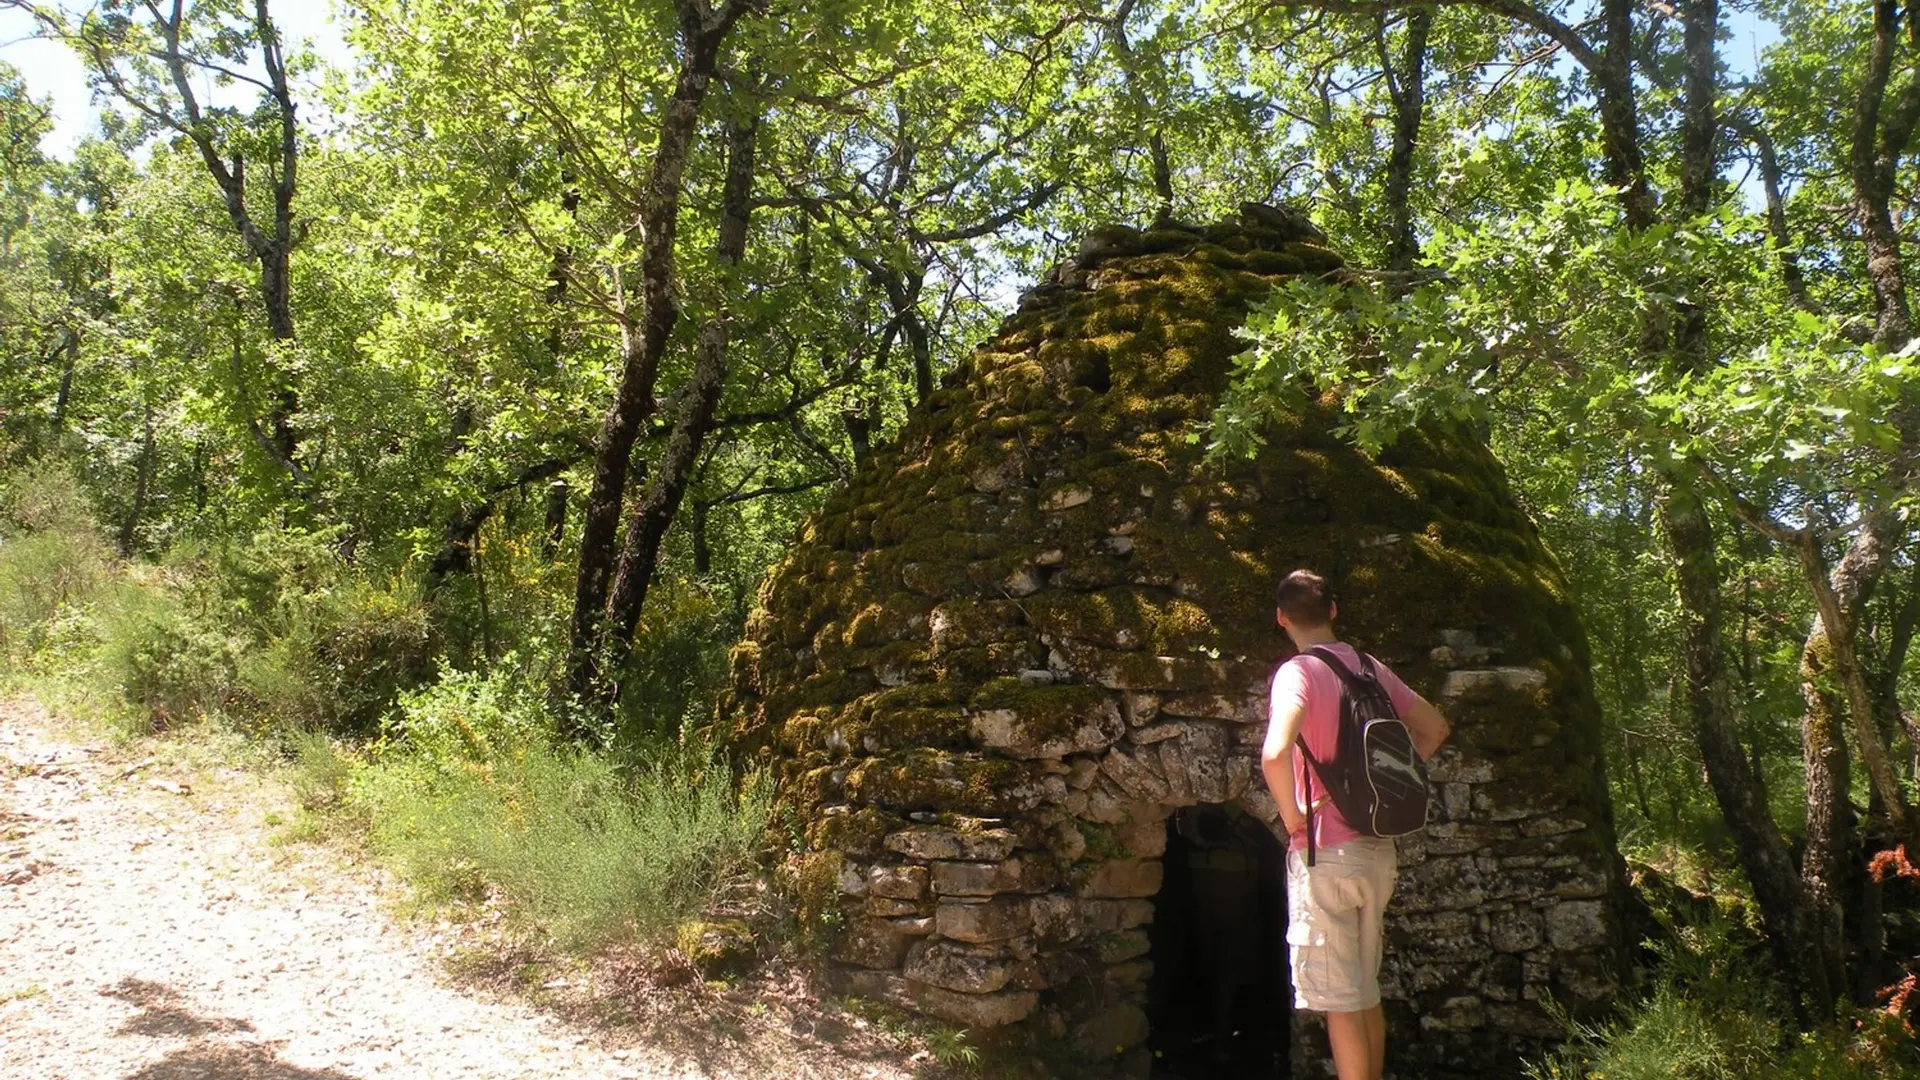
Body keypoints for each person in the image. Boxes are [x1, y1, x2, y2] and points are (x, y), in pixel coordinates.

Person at [1259, 569, 1451, 1080]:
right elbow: (1434, 728)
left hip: (1326, 857)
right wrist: (1387, 790)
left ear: (1281, 618)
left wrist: (1296, 818)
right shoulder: (1367, 667)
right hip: (1376, 849)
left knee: (1341, 1002)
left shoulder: (1297, 673)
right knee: (1364, 990)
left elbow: (1275, 753)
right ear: (1334, 610)